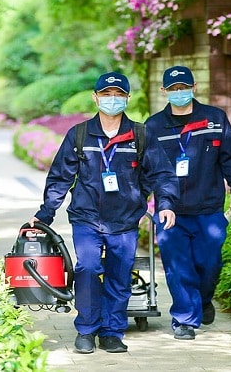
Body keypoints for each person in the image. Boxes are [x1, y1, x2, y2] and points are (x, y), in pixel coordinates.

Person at [30, 71, 178, 354]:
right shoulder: (80, 134)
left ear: (127, 98)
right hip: (87, 218)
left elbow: (162, 174)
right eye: (107, 94)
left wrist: (167, 204)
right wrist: (45, 213)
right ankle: (86, 330)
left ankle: (111, 331)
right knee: (87, 268)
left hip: (124, 221)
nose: (112, 99)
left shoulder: (141, 135)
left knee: (119, 275)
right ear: (95, 97)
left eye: (118, 94)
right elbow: (60, 177)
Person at [144, 65, 231, 341]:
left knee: (209, 264)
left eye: (184, 88)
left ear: (194, 88)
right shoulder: (153, 126)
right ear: (164, 91)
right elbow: (146, 169)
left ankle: (202, 301)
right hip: (171, 212)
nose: (179, 93)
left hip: (209, 209)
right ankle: (185, 319)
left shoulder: (215, 119)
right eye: (174, 89)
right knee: (178, 266)